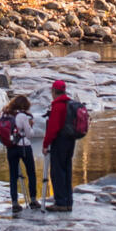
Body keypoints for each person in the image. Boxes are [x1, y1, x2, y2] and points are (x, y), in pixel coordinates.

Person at [0, 94, 40, 211]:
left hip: (10, 147)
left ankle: (15, 203)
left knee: (13, 175)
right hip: (24, 147)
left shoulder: (4, 114)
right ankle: (33, 200)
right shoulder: (22, 116)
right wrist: (31, 126)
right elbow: (29, 134)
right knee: (31, 173)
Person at [43, 80, 78, 212]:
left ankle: (60, 202)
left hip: (60, 141)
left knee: (57, 172)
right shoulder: (70, 104)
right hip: (70, 141)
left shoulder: (58, 106)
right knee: (67, 170)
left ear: (53, 91)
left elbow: (53, 128)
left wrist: (46, 144)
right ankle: (68, 202)